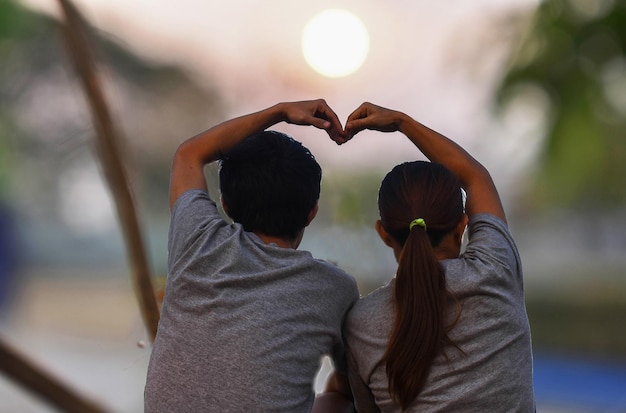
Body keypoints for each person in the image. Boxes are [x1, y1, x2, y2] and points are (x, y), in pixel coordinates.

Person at [144, 99, 360, 412]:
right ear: (311, 212)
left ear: (226, 205)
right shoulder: (335, 288)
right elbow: (351, 385)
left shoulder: (198, 242)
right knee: (343, 401)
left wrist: (279, 112)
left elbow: (189, 153)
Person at [341, 102, 535, 412]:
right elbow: (474, 177)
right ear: (463, 226)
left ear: (383, 232)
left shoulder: (361, 325)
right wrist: (403, 122)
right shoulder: (495, 271)